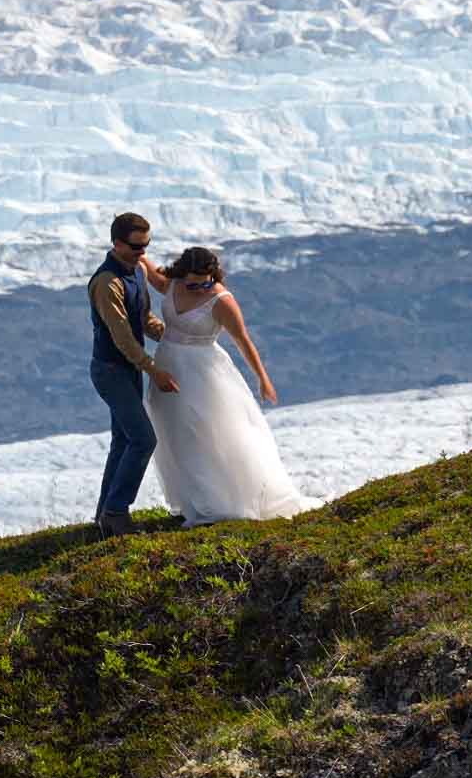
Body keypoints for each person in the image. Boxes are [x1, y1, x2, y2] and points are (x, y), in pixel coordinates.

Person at [141, 246, 319, 526]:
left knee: (206, 432)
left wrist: (263, 378)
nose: (199, 287)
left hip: (202, 373)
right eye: (193, 282)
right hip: (167, 367)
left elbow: (242, 340)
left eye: (206, 281)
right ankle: (193, 499)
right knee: (175, 432)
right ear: (181, 273)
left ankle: (221, 501)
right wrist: (138, 253)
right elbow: (152, 275)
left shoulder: (221, 301)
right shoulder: (173, 283)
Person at [88, 213, 179, 537]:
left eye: (147, 246)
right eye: (137, 247)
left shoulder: (137, 271)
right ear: (117, 243)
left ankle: (104, 515)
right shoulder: (106, 283)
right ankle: (116, 512)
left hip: (128, 368)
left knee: (124, 440)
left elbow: (142, 317)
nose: (144, 253)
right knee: (143, 439)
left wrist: (173, 337)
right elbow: (122, 336)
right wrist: (153, 370)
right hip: (111, 370)